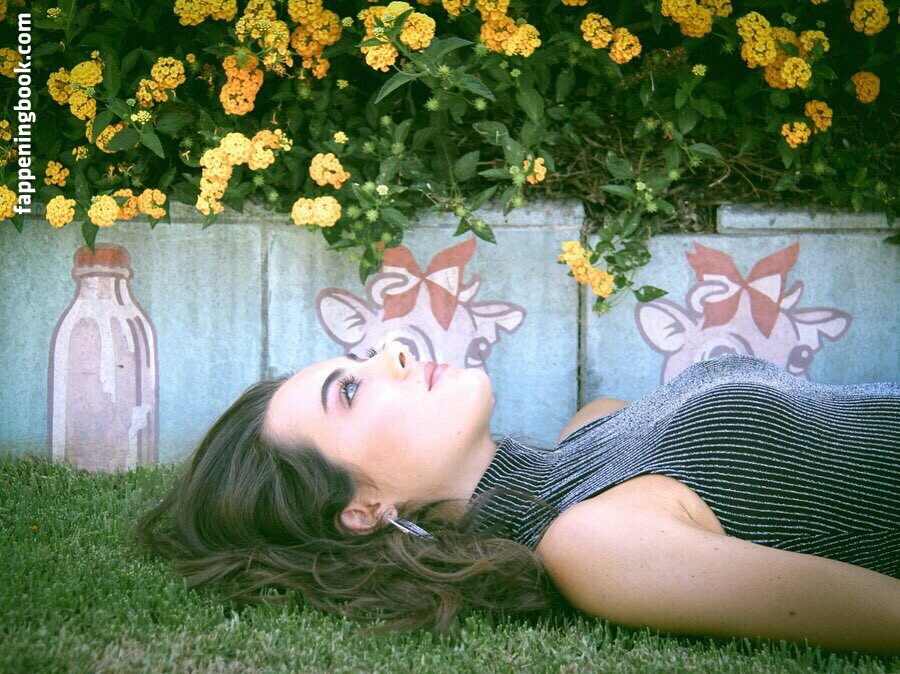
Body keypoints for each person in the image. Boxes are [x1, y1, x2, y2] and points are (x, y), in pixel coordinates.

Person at [135, 340, 900, 654]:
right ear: (362, 510)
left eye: (360, 359)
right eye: (352, 391)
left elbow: (605, 421)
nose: (394, 351)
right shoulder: (592, 545)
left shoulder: (583, 446)